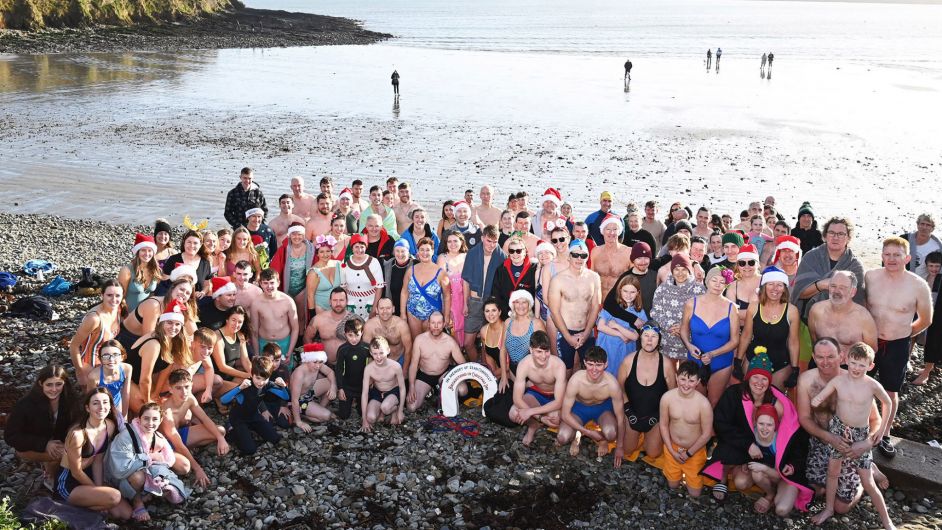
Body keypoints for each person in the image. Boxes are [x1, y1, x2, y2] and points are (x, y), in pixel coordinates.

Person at [796, 337, 890, 517]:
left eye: (830, 357)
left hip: (853, 446)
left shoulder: (857, 380)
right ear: (814, 357)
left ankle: (865, 474)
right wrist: (829, 437)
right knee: (816, 491)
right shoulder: (806, 380)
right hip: (823, 441)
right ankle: (866, 469)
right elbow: (804, 418)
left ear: (841, 357)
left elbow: (875, 420)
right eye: (820, 357)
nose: (825, 362)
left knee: (841, 508)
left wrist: (867, 443)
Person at [864, 237, 932, 457]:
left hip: (897, 345)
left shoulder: (917, 284)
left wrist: (903, 334)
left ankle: (884, 434)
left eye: (897, 255)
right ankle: (862, 429)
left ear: (907, 258)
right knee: (862, 385)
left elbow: (925, 319)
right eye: (888, 254)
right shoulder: (871, 276)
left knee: (890, 391)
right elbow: (862, 309)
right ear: (882, 256)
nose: (891, 259)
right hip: (869, 342)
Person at [705, 352, 784, 502]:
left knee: (742, 483)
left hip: (763, 449)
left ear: (769, 381)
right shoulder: (733, 394)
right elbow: (720, 423)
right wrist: (747, 444)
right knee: (727, 448)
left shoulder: (776, 402)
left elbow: (783, 433)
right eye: (755, 377)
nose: (759, 382)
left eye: (764, 379)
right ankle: (722, 478)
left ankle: (756, 473)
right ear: (748, 377)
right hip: (737, 442)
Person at [56, 388, 131, 519]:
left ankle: (87, 506)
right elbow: (76, 472)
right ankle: (71, 507)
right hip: (69, 482)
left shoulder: (109, 426)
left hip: (90, 475)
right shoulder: (78, 434)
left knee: (125, 514)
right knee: (114, 496)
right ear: (87, 408)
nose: (101, 407)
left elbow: (97, 461)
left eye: (105, 402)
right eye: (95, 403)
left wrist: (99, 486)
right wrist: (98, 491)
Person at [106, 402, 186, 521]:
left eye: (155, 419)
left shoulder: (157, 437)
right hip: (115, 478)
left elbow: (168, 459)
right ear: (139, 419)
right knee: (138, 478)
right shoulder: (126, 436)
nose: (150, 423)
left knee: (170, 473)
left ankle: (148, 492)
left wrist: (158, 469)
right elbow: (119, 470)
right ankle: (137, 503)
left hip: (138, 471)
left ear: (160, 420)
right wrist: (150, 457)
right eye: (146, 418)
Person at [4, 364, 77, 491]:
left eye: (58, 384)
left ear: (64, 383)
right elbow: (10, 436)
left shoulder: (71, 400)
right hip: (29, 446)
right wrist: (44, 444)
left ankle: (56, 466)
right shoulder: (25, 404)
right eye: (49, 385)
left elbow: (79, 422)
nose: (54, 389)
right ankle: (50, 477)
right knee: (62, 454)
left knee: (73, 451)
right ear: (40, 383)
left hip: (59, 442)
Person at [680, 266, 740, 406]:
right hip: (696, 361)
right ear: (707, 281)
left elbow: (735, 340)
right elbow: (683, 330)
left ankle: (710, 428)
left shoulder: (732, 308)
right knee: (696, 401)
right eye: (714, 280)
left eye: (722, 282)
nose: (718, 285)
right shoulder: (691, 303)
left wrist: (713, 354)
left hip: (721, 362)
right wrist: (689, 346)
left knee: (714, 402)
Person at [556, 346, 625, 468]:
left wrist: (619, 447)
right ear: (584, 363)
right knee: (562, 437)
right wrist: (588, 432)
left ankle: (603, 440)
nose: (594, 369)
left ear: (606, 364)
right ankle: (578, 435)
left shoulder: (612, 384)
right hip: (579, 409)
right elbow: (565, 414)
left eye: (598, 365)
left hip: (602, 409)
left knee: (611, 433)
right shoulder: (576, 380)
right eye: (590, 364)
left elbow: (620, 418)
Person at [736, 266, 800, 390]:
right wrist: (738, 361)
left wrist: (795, 370)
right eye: (771, 284)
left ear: (784, 289)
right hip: (753, 360)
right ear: (764, 287)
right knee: (749, 398)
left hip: (780, 364)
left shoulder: (792, 311)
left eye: (780, 285)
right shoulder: (754, 307)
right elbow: (746, 335)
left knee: (773, 402)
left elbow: (793, 342)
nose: (775, 289)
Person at [617, 325, 675, 458]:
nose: (649, 340)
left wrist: (659, 416)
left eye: (654, 336)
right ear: (640, 337)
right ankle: (635, 432)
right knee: (627, 450)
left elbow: (672, 394)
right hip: (632, 412)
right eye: (646, 335)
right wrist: (628, 412)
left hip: (655, 416)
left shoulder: (666, 364)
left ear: (659, 340)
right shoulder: (628, 361)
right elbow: (619, 388)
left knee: (653, 453)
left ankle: (649, 436)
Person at [792, 217, 865, 321]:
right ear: (825, 236)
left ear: (848, 238)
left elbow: (858, 301)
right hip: (808, 320)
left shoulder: (855, 266)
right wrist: (822, 284)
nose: (835, 237)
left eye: (841, 234)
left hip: (842, 322)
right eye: (831, 233)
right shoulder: (810, 257)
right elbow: (799, 292)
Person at [658, 360, 712, 497]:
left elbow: (706, 434)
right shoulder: (667, 398)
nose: (686, 384)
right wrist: (671, 450)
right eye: (682, 379)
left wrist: (689, 453)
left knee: (695, 494)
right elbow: (663, 425)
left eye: (691, 381)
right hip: (673, 449)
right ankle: (675, 474)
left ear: (698, 381)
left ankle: (691, 476)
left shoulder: (703, 404)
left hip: (694, 451)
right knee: (672, 485)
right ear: (676, 377)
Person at [127, 300, 192, 414]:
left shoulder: (172, 341)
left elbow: (166, 370)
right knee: (148, 412)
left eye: (177, 324)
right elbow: (145, 379)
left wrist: (156, 393)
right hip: (127, 379)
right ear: (161, 323)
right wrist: (148, 401)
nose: (173, 327)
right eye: (169, 323)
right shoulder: (154, 344)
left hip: (142, 381)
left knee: (160, 410)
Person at [219, 357, 290, 455]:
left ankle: (249, 431)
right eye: (258, 378)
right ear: (252, 375)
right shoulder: (246, 385)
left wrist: (284, 386)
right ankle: (231, 428)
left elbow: (286, 397)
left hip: (254, 416)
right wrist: (239, 388)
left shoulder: (267, 385)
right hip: (239, 419)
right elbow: (223, 400)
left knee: (275, 438)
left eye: (265, 379)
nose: (261, 382)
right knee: (250, 450)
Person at [509, 331, 567, 446]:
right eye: (539, 351)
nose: (543, 356)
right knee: (514, 413)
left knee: (555, 418)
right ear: (531, 350)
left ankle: (557, 425)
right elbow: (517, 398)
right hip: (537, 394)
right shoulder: (524, 364)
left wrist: (530, 412)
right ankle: (533, 425)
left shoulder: (559, 365)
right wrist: (540, 418)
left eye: (546, 351)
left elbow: (559, 401)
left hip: (555, 398)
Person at [462, 225, 506, 362]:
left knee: (487, 343)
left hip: (491, 303)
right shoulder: (472, 253)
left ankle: (487, 371)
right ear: (482, 238)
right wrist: (465, 303)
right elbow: (466, 281)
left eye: (495, 242)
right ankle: (477, 368)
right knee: (468, 343)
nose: (492, 245)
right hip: (474, 302)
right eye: (489, 241)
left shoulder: (502, 256)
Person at [407, 312, 467, 412]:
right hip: (425, 375)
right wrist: (411, 387)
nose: (436, 326)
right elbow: (413, 365)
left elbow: (463, 364)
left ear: (444, 324)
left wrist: (459, 379)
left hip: (444, 374)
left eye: (439, 323)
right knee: (411, 407)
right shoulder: (420, 340)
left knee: (463, 391)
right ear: (428, 323)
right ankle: (433, 389)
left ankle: (440, 389)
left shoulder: (450, 342)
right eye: (433, 323)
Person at [807, 271, 877, 356]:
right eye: (833, 286)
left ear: (853, 292)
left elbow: (872, 350)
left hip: (850, 366)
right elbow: (814, 340)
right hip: (822, 362)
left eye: (842, 287)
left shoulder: (863, 317)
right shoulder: (816, 311)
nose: (836, 291)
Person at [652, 253, 705, 361]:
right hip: (667, 341)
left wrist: (685, 327)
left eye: (684, 269)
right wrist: (669, 326)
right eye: (676, 269)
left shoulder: (699, 290)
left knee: (686, 376)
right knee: (669, 376)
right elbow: (655, 312)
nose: (680, 273)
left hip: (691, 343)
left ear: (689, 270)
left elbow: (704, 313)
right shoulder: (662, 289)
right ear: (672, 271)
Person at [70, 279, 124, 381]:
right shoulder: (94, 319)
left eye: (117, 296)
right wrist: (79, 372)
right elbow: (74, 345)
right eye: (109, 295)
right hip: (91, 364)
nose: (114, 299)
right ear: (102, 295)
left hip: (109, 360)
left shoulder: (118, 309)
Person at [596, 275, 646, 378]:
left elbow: (635, 337)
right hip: (607, 347)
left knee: (621, 376)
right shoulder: (612, 308)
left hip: (624, 351)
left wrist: (616, 326)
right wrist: (621, 334)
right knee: (604, 377)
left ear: (638, 293)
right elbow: (600, 327)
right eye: (625, 291)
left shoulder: (639, 312)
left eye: (632, 292)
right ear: (619, 291)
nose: (628, 295)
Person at [268, 222, 316, 327]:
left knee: (301, 316)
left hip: (303, 288)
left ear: (303, 235)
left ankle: (300, 339)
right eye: (293, 234)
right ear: (289, 235)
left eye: (299, 234)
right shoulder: (283, 250)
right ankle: (289, 339)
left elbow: (316, 267)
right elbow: (274, 268)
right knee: (287, 317)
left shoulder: (311, 249)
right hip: (287, 287)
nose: (297, 237)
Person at [498, 291, 547, 388]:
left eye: (524, 302)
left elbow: (545, 352)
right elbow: (503, 350)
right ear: (513, 304)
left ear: (529, 304)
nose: (520, 306)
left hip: (533, 374)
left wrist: (534, 380)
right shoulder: (508, 322)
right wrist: (504, 376)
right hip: (512, 372)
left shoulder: (537, 324)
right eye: (517, 302)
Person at [250, 268, 299, 362]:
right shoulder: (256, 303)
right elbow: (254, 331)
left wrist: (290, 350)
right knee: (265, 374)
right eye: (265, 283)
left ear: (278, 283)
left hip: (284, 343)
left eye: (272, 282)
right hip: (264, 344)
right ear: (260, 284)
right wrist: (256, 354)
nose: (269, 286)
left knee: (284, 373)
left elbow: (295, 329)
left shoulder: (288, 301)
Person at [361, 336, 407, 432]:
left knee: (385, 408)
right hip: (377, 392)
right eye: (375, 354)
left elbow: (402, 388)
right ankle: (381, 412)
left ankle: (394, 409)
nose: (378, 357)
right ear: (371, 353)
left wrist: (400, 411)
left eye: (381, 353)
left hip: (392, 392)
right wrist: (364, 420)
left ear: (388, 351)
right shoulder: (368, 369)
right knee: (371, 418)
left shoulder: (395, 366)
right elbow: (364, 394)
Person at [290, 343, 337, 431]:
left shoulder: (318, 364)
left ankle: (319, 408)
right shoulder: (299, 374)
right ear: (308, 360)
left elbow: (331, 373)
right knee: (326, 416)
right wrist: (299, 422)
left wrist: (333, 387)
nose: (318, 365)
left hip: (309, 391)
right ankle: (300, 414)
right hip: (300, 399)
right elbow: (294, 400)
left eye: (320, 362)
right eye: (315, 362)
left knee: (330, 383)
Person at [86, 341, 132, 424]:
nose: (111, 359)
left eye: (115, 355)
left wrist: (124, 416)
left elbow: (126, 393)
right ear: (100, 359)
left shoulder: (127, 369)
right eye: (106, 355)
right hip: (101, 406)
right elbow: (91, 400)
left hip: (117, 403)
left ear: (122, 357)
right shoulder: (93, 377)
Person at [492, 235, 537, 318]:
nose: (515, 254)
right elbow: (496, 294)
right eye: (512, 251)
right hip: (506, 315)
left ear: (525, 252)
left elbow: (537, 294)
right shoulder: (501, 269)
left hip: (528, 315)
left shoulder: (534, 268)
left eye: (519, 251)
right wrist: (507, 312)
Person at [303, 288, 351, 363]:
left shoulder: (353, 320)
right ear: (330, 301)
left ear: (347, 301)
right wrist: (315, 358)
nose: (338, 304)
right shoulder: (319, 319)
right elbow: (307, 338)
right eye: (335, 300)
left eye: (341, 300)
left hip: (347, 364)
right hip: (324, 364)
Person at [363, 298, 413, 368]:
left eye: (388, 308)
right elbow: (367, 351)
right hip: (378, 362)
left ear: (393, 309)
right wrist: (371, 370)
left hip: (398, 361)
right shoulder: (369, 326)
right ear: (377, 310)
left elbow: (408, 349)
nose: (385, 311)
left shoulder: (401, 325)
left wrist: (405, 370)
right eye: (381, 308)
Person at [159, 230, 212, 296]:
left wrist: (202, 292)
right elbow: (164, 282)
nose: (192, 245)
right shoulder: (173, 259)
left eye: (195, 243)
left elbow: (207, 285)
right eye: (189, 242)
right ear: (184, 243)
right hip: (175, 299)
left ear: (200, 245)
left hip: (197, 302)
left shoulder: (205, 262)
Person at [336, 321, 371, 420]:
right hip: (347, 387)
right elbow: (338, 369)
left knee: (363, 413)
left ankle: (358, 404)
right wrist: (340, 388)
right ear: (345, 334)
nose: (354, 339)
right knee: (344, 416)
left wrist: (371, 383)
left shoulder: (366, 348)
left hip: (363, 387)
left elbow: (374, 365)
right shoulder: (343, 349)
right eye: (350, 335)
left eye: (357, 335)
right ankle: (348, 403)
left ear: (362, 333)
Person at [590, 215, 632, 297]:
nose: (611, 233)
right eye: (608, 229)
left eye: (615, 229)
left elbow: (634, 280)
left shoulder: (628, 252)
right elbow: (591, 279)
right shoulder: (595, 251)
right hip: (599, 301)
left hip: (618, 302)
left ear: (619, 231)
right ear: (602, 231)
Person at [916, 251, 942, 385]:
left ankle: (926, 372)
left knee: (933, 342)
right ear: (926, 266)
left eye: (937, 266)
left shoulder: (940, 278)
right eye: (931, 266)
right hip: (926, 313)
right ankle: (929, 368)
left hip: (938, 317)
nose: (934, 269)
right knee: (926, 341)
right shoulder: (925, 278)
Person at [438, 232, 468, 345]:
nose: (452, 244)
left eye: (455, 241)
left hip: (465, 300)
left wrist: (466, 303)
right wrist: (447, 310)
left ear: (461, 242)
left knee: (466, 333)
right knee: (451, 331)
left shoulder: (467, 256)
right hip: (449, 301)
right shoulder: (442, 258)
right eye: (449, 241)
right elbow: (442, 285)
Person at [118, 234, 160, 313]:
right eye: (143, 250)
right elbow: (119, 297)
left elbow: (153, 293)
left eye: (150, 250)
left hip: (147, 314)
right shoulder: (126, 270)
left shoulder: (155, 270)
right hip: (128, 315)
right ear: (137, 252)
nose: (147, 254)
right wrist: (123, 315)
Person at [305, 234, 343, 316]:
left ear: (332, 251)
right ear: (317, 254)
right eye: (321, 252)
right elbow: (310, 295)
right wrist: (312, 316)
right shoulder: (313, 272)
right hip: (321, 308)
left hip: (338, 307)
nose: (325, 254)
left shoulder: (338, 265)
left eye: (328, 251)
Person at [726, 244, 761, 323]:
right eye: (742, 263)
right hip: (739, 331)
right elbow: (729, 313)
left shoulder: (766, 282)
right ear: (738, 266)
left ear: (758, 264)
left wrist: (738, 314)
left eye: (751, 262)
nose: (747, 266)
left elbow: (770, 310)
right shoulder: (733, 286)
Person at [383, 239, 414, 316]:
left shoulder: (415, 265)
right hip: (392, 308)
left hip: (411, 309)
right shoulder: (387, 265)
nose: (400, 254)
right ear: (394, 252)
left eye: (403, 251)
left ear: (408, 252)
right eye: (397, 251)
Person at [478, 298, 506, 376]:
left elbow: (512, 363)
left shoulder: (507, 330)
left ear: (500, 312)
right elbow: (488, 355)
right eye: (487, 311)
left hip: (511, 371)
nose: (490, 314)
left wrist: (492, 375)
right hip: (497, 372)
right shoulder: (483, 330)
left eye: (494, 310)